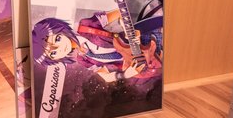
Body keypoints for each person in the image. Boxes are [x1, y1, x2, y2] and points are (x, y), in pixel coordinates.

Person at [32, 8, 162, 82]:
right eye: (53, 53)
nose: (60, 48)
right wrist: (126, 74)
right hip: (140, 65)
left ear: (60, 29)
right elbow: (106, 77)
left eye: (57, 39)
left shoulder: (86, 26)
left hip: (145, 41)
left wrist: (127, 28)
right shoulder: (82, 59)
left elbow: (120, 11)